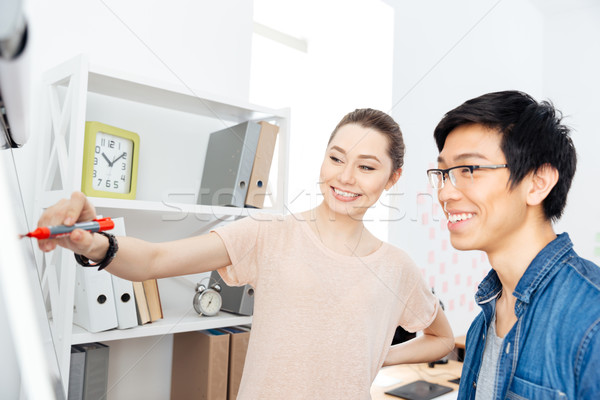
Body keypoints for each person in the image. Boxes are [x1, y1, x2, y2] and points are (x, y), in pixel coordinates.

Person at [38, 108, 454, 399]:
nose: (345, 177)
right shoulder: (269, 232)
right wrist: (95, 244)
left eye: (366, 167)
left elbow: (441, 338)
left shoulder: (397, 267)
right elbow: (155, 260)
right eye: (336, 158)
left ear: (393, 177)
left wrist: (377, 356)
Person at [427, 91, 600, 399]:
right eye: (443, 174)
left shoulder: (591, 319)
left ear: (537, 183)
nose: (444, 194)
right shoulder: (484, 319)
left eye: (469, 170)